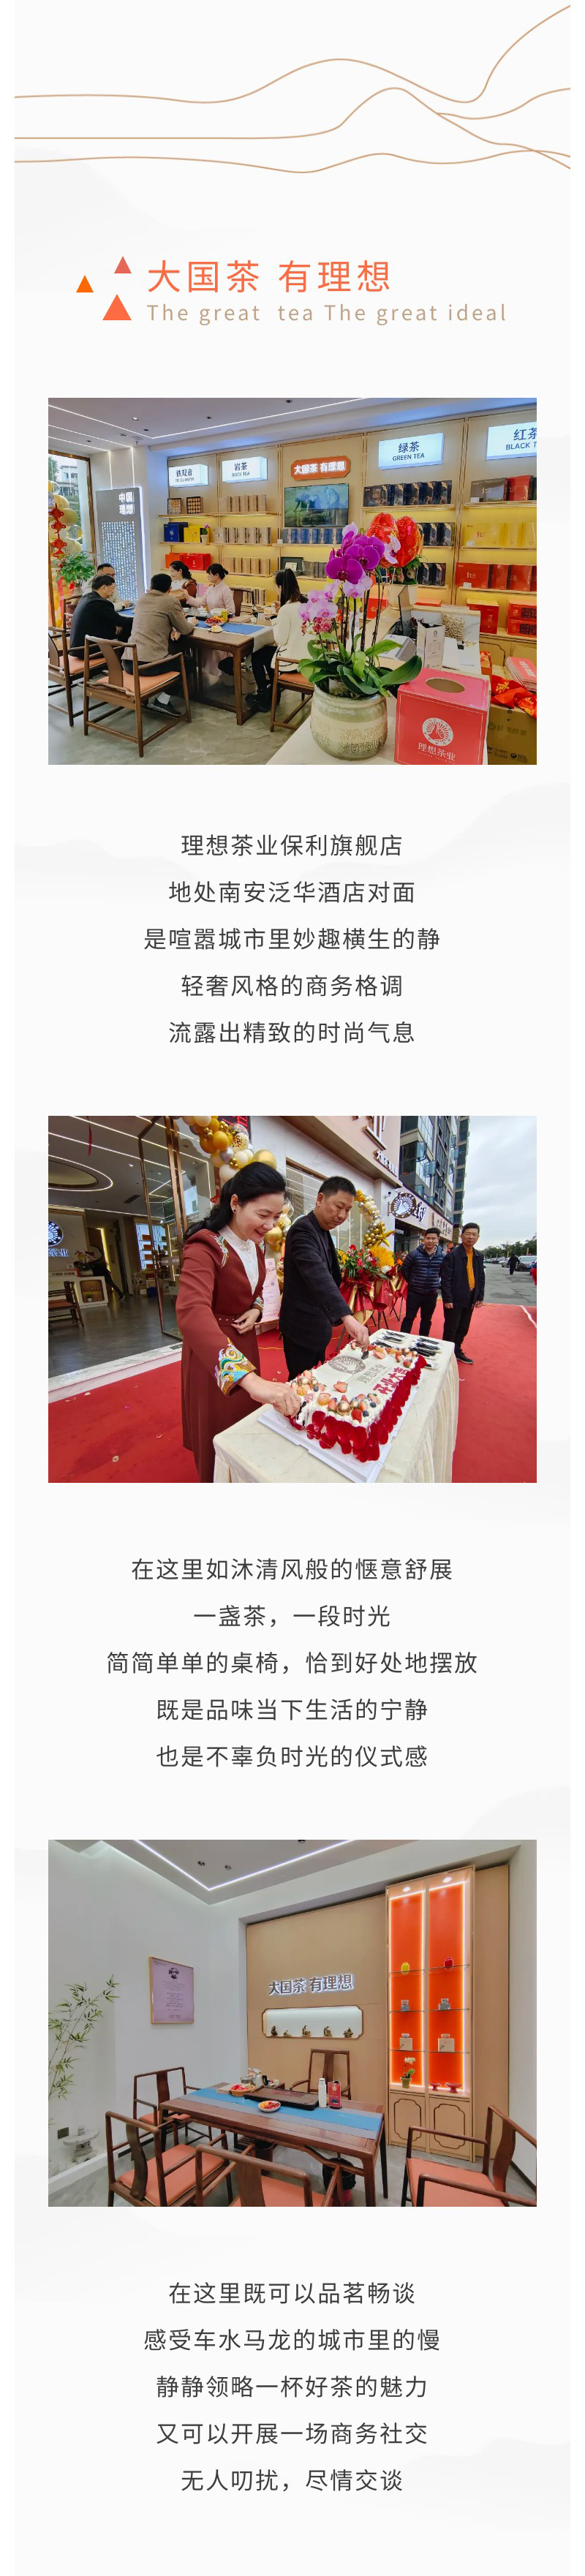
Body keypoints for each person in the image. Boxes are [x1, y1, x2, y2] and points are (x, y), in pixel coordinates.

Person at [176, 1163, 303, 1484]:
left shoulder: (254, 1247)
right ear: (235, 1203)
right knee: (218, 1426)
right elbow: (192, 1310)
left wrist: (256, 1309)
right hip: (213, 1351)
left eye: (276, 1217)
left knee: (244, 1420)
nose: (270, 1225)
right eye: (263, 1215)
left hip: (244, 1341)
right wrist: (247, 1377)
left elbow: (255, 1291)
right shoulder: (206, 1245)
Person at [279, 1177, 370, 1379]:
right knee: (301, 1382)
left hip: (319, 1326)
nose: (342, 1215)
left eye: (347, 1210)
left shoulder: (323, 1230)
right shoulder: (303, 1230)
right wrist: (347, 1317)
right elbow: (317, 1274)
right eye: (338, 1207)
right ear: (320, 1199)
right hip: (301, 1328)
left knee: (318, 1378)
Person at [251, 570, 310, 709]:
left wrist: (274, 619)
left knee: (258, 656)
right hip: (307, 659)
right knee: (267, 654)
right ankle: (273, 694)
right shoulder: (305, 604)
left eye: (277, 587)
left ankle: (265, 696)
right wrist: (281, 610)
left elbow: (280, 640)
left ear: (280, 587)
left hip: (292, 663)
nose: (276, 591)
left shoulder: (286, 609)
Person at [123, 572, 195, 681]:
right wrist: (192, 623)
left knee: (173, 650)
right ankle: (166, 692)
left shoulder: (142, 600)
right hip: (149, 665)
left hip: (128, 662)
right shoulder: (171, 601)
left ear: (151, 587)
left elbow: (156, 622)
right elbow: (185, 630)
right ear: (170, 589)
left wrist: (172, 629)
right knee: (190, 662)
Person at [442, 1223, 485, 1364]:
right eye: (468, 1234)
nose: (471, 1237)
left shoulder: (479, 1256)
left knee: (463, 1327)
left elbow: (481, 1277)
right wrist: (447, 1298)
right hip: (455, 1298)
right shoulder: (453, 1255)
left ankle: (457, 1351)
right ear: (462, 1236)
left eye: (474, 1234)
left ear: (478, 1237)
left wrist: (480, 1296)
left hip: (471, 1297)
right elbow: (446, 1279)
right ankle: (447, 1353)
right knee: (451, 1327)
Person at [69, 573, 129, 665]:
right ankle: (122, 667)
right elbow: (120, 621)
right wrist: (138, 620)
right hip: (87, 651)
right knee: (126, 633)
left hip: (77, 648)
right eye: (113, 588)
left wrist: (116, 624)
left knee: (121, 631)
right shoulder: (100, 602)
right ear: (104, 587)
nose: (114, 591)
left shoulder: (86, 598)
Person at [399, 1227, 444, 1337]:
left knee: (427, 1319)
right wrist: (412, 1281)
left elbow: (443, 1272)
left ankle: (423, 1340)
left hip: (431, 1294)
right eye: (428, 1238)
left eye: (433, 1238)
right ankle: (402, 1339)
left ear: (438, 1239)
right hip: (415, 1293)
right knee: (409, 1317)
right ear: (424, 1239)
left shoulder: (442, 1256)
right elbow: (404, 1269)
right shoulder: (414, 1254)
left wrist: (435, 1282)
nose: (430, 1241)